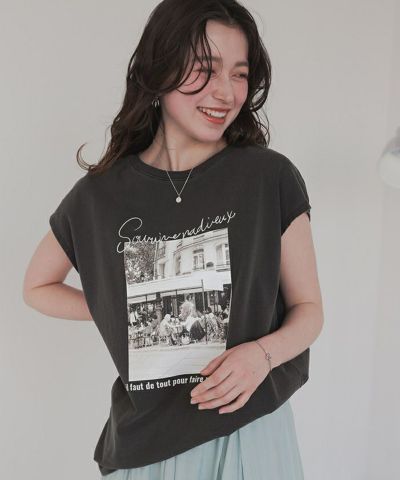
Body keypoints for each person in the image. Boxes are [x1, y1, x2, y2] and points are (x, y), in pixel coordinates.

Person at [22, 0, 324, 478]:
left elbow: (309, 309)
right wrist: (119, 306)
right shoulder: (99, 196)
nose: (226, 92)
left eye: (240, 74)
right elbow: (37, 287)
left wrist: (261, 356)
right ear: (160, 71)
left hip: (247, 429)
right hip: (144, 445)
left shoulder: (269, 178)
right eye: (205, 69)